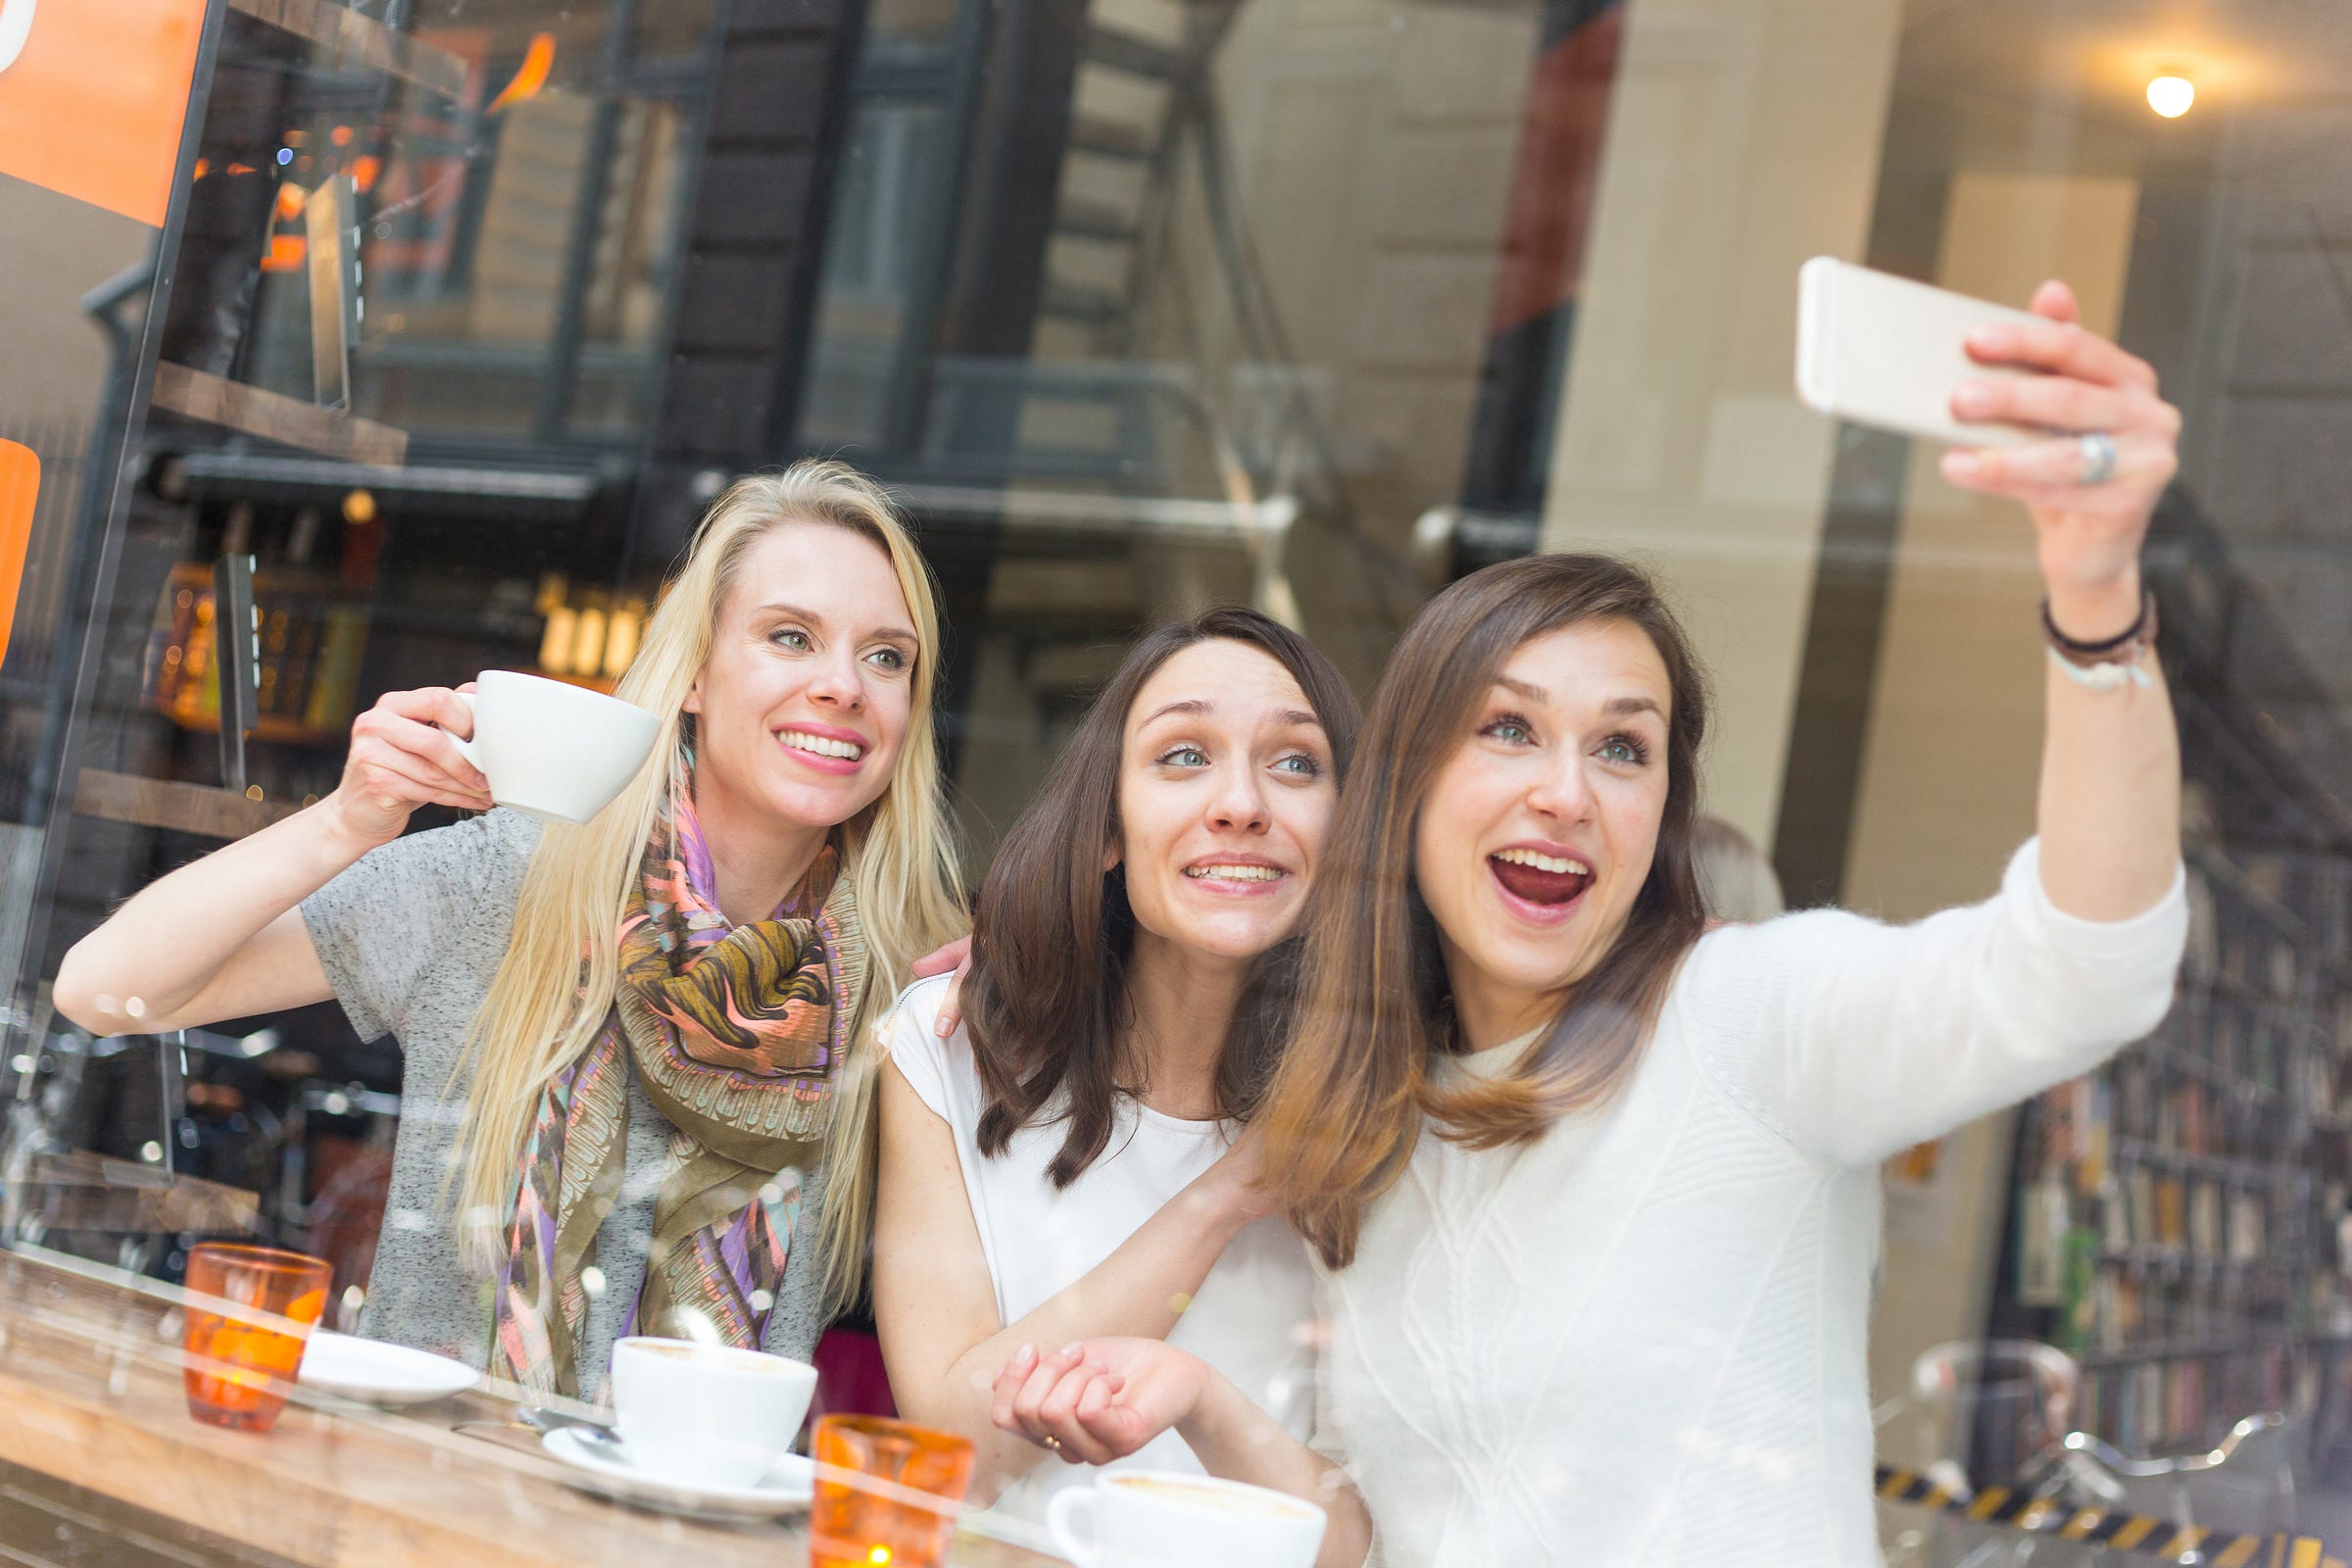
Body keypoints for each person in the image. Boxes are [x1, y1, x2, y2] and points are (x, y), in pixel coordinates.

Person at [991, 280, 2188, 1566]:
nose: (1565, 792)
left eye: (1623, 747)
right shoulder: (1377, 1125)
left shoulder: (1749, 1019)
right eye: (1508, 729)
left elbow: (2085, 971)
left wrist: (2098, 599)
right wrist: (1205, 1404)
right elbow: (1378, 1546)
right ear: (1409, 786)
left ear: (1662, 807)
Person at [54, 461, 965, 1401]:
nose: (843, 686)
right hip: (426, 1503)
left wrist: (1024, 985)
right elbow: (105, 991)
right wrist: (344, 822)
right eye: (790, 636)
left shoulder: (912, 986)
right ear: (693, 672)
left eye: (886, 657)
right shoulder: (516, 877)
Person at [871, 608, 1360, 1516]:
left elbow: (1353, 1544)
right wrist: (1225, 1197)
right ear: (1106, 830)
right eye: (1183, 755)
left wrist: (1203, 1401)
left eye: (1297, 763)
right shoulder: (948, 1056)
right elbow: (951, 1452)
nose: (1242, 804)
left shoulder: (1383, 1121)